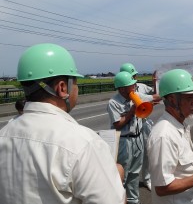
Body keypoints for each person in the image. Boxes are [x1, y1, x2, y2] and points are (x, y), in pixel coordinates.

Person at [0, 43, 125, 204]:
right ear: (62, 87)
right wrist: (117, 177)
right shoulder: (84, 143)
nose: (77, 89)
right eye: (76, 83)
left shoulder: (4, 133)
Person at [147, 69, 193, 204]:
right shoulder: (163, 136)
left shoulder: (181, 125)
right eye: (189, 98)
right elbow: (162, 188)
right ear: (172, 100)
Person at [107, 71, 158, 204]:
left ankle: (134, 201)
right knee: (123, 174)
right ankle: (118, 200)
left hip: (138, 138)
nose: (134, 86)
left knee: (135, 173)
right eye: (131, 85)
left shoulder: (136, 96)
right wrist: (132, 111)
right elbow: (118, 124)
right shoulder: (114, 102)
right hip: (124, 141)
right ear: (122, 88)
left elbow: (155, 97)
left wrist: (155, 83)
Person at [120, 62, 160, 191]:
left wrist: (154, 82)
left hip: (144, 123)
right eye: (132, 76)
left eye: (134, 75)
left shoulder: (141, 87)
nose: (135, 78)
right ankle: (126, 184)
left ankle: (147, 179)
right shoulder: (122, 93)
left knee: (147, 152)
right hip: (131, 127)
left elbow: (155, 95)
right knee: (130, 158)